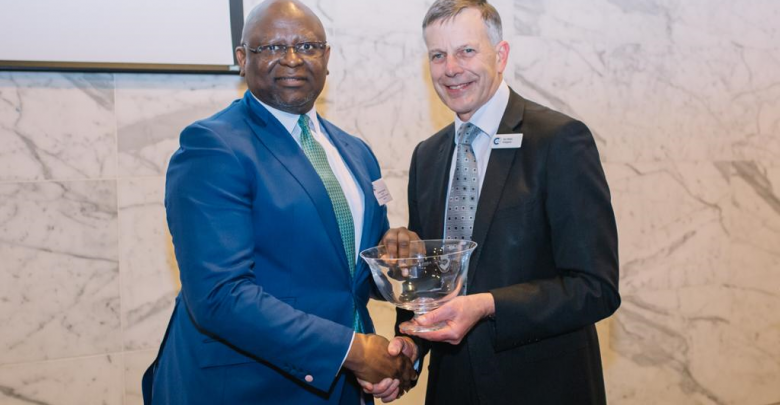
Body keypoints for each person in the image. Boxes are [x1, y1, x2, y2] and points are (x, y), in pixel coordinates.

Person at [141, 1, 415, 404]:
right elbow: (219, 296)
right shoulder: (213, 146)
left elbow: (351, 273)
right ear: (242, 58)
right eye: (271, 47)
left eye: (307, 46)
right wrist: (354, 352)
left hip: (341, 388)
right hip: (246, 388)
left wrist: (395, 258)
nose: (292, 59)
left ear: (326, 57)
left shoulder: (356, 152)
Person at [363, 0, 621, 404]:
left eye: (466, 51)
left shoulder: (558, 141)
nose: (451, 68)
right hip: (451, 390)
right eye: (438, 55)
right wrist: (411, 347)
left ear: (500, 56)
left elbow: (595, 288)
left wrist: (487, 305)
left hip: (543, 389)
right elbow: (431, 279)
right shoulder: (427, 156)